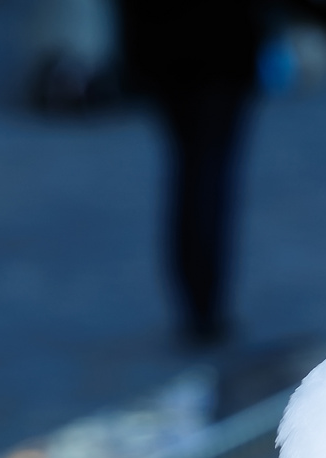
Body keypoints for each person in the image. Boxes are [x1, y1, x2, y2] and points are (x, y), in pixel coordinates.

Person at [113, 1, 268, 346]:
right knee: (208, 172)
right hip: (221, 43)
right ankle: (205, 302)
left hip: (162, 45)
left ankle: (196, 299)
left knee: (190, 168)